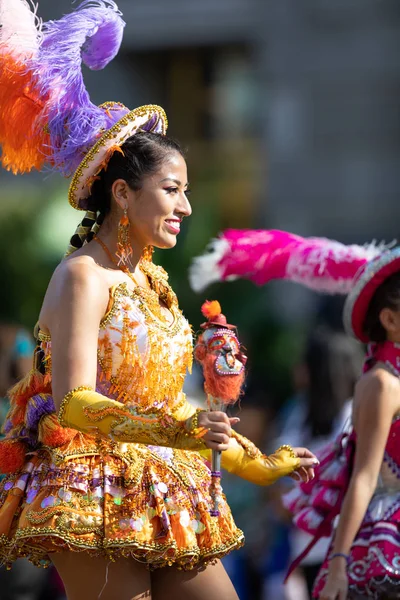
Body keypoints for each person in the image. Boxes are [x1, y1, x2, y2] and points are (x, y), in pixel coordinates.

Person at [0, 3, 317, 599]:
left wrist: (257, 460)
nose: (186, 207)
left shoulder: (155, 285)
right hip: (92, 490)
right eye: (171, 190)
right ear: (122, 194)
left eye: (187, 192)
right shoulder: (83, 277)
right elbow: (72, 403)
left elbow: (178, 405)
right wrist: (177, 432)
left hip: (170, 485)